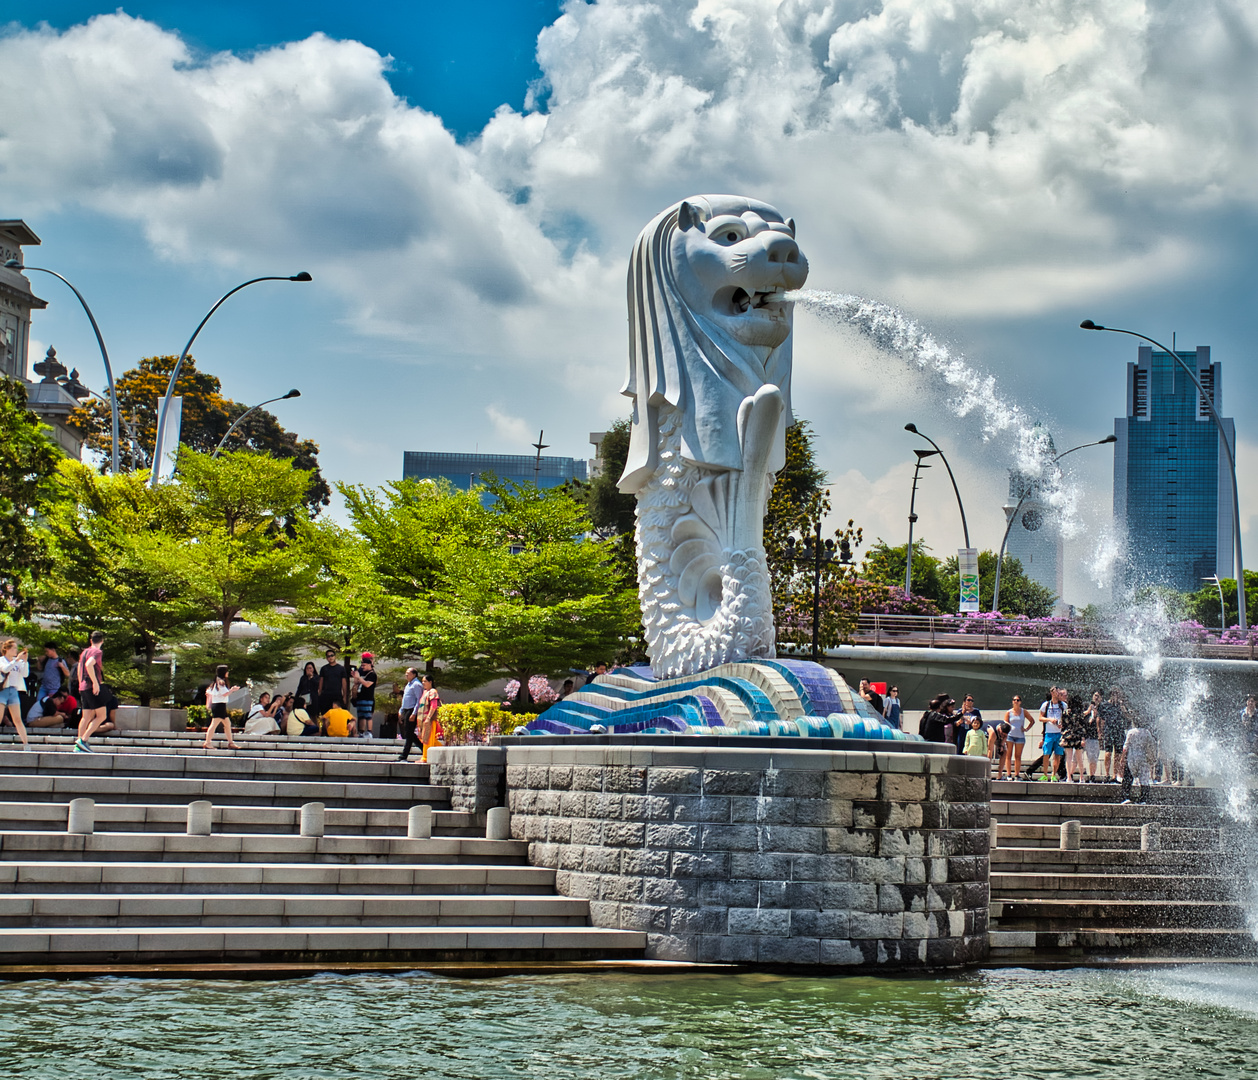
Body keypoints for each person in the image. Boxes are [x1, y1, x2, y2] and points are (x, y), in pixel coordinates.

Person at [75, 630, 108, 753]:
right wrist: (95, 682)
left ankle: (79, 745)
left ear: (91, 640)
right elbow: (89, 665)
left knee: (86, 716)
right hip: (91, 686)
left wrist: (80, 683)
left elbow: (80, 667)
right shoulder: (97, 652)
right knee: (101, 715)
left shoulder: (84, 652)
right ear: (102, 641)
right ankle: (83, 740)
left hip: (83, 686)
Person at [0, 640, 30, 750]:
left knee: (17, 719)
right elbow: (5, 669)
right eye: (13, 648)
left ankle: (25, 743)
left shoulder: (16, 661)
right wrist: (17, 660)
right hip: (2, 690)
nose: (16, 650)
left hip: (13, 691)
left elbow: (25, 674)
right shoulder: (2, 660)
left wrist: (25, 661)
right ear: (7, 649)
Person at [1119, 721, 1159, 804]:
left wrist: (1122, 758)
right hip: (1143, 758)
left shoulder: (1131, 732)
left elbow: (1125, 747)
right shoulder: (1147, 733)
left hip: (1132, 758)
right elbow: (1151, 745)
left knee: (1128, 778)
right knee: (1144, 779)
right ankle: (1143, 799)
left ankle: (1126, 797)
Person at [203, 665, 242, 750]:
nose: (228, 673)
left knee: (227, 724)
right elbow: (224, 693)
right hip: (219, 705)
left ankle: (230, 743)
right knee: (214, 724)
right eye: (226, 671)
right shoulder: (221, 682)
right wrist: (232, 690)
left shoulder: (215, 682)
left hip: (219, 705)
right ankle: (207, 742)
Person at [1002, 694, 1035, 780]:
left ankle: (1017, 774)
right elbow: (1005, 724)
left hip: (1020, 736)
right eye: (1014, 700)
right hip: (1010, 735)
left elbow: (1032, 721)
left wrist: (1026, 729)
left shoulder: (1024, 711)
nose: (1016, 701)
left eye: (1018, 700)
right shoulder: (1009, 712)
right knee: (1008, 755)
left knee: (1018, 756)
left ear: (1020, 702)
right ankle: (1009, 774)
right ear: (1012, 702)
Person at [1037, 686, 1066, 782]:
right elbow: (1040, 718)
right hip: (1049, 733)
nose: (1058, 693)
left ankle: (1053, 774)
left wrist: (1062, 724)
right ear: (1052, 693)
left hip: (1059, 733)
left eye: (1059, 692)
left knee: (1057, 755)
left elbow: (1067, 718)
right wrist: (1050, 719)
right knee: (1046, 754)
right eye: (1056, 691)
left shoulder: (1063, 705)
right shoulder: (1046, 705)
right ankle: (1045, 774)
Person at [1098, 687, 1127, 782]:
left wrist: (1123, 709)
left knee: (1118, 754)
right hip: (1109, 730)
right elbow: (1101, 719)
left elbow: (1127, 717)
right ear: (1111, 695)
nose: (1116, 697)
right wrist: (1100, 732)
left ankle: (1115, 775)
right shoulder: (1104, 705)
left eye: (1118, 695)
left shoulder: (1121, 705)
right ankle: (1107, 774)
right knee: (1108, 753)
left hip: (1119, 731)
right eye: (1115, 694)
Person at [1060, 690, 1089, 784]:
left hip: (1068, 735)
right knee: (1079, 758)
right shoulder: (1080, 714)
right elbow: (1083, 727)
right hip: (1078, 736)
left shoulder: (1066, 713)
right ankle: (1081, 777)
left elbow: (1063, 726)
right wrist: (1083, 738)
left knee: (1068, 758)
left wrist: (1063, 737)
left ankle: (1069, 777)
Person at [398, 668, 424, 761]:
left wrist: (414, 713)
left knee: (409, 733)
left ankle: (404, 755)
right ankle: (423, 748)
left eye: (408, 673)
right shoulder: (408, 685)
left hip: (411, 710)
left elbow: (419, 700)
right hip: (406, 709)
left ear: (414, 674)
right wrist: (401, 710)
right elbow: (405, 698)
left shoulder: (417, 685)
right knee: (407, 733)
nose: (406, 675)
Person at [350, 653, 378, 738]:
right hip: (359, 696)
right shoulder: (361, 671)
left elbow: (367, 684)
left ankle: (369, 732)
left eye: (364, 665)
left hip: (368, 698)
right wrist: (355, 676)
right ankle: (361, 731)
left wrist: (359, 678)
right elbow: (356, 682)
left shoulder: (372, 674)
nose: (362, 667)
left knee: (368, 715)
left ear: (370, 664)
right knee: (361, 715)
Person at [418, 674, 442, 762]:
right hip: (422, 720)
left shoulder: (433, 692)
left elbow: (434, 706)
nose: (423, 683)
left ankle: (426, 757)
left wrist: (428, 717)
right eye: (422, 681)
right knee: (425, 738)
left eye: (425, 681)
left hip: (429, 720)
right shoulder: (425, 692)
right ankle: (443, 751)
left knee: (428, 738)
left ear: (430, 682)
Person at [317, 649, 347, 716]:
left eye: (332, 655)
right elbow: (321, 681)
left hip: (337, 695)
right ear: (326, 658)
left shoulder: (341, 668)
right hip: (325, 695)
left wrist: (344, 696)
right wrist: (319, 693)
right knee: (325, 715)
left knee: (337, 715)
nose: (330, 657)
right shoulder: (324, 668)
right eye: (328, 656)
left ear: (335, 656)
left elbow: (344, 683)